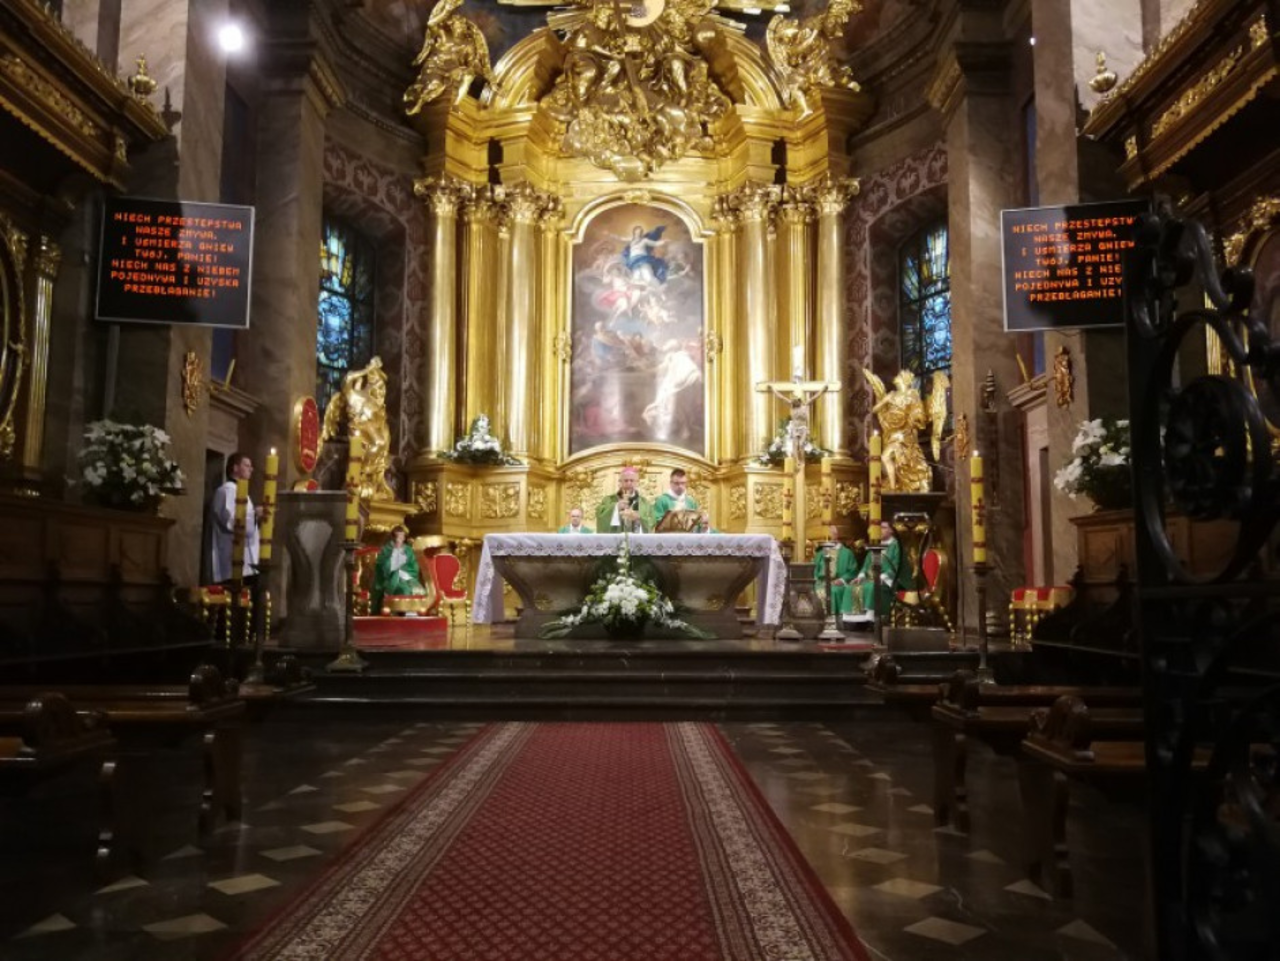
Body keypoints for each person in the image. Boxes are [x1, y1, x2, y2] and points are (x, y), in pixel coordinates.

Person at [209, 452, 263, 584]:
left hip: (248, 560)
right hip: (233, 560)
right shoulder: (226, 491)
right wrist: (255, 514)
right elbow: (232, 522)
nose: (251, 469)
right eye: (247, 465)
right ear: (235, 468)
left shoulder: (242, 491)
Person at [852, 520, 915, 619]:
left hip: (894, 581)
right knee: (854, 586)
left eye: (883, 528)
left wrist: (882, 577)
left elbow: (896, 566)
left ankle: (874, 615)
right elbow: (866, 565)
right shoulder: (876, 545)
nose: (880, 530)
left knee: (873, 587)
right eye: (879, 528)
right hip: (873, 579)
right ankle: (856, 616)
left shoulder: (896, 546)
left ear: (891, 530)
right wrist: (861, 576)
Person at [371, 525, 427, 615]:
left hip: (408, 578)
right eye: (398, 536)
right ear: (393, 537)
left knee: (420, 590)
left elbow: (414, 567)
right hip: (391, 579)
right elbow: (381, 566)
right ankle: (400, 613)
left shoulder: (408, 550)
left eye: (402, 536)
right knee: (404, 589)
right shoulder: (386, 550)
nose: (400, 539)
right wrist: (395, 569)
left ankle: (414, 612)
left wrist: (405, 573)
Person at [813, 525, 860, 618]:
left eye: (831, 533)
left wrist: (842, 580)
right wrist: (816, 580)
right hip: (821, 583)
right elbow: (814, 569)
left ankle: (832, 618)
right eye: (827, 533)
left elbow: (853, 571)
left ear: (837, 535)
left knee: (832, 591)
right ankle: (816, 619)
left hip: (837, 583)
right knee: (811, 591)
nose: (828, 536)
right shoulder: (821, 553)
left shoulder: (847, 553)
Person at [594, 465, 655, 533]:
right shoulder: (608, 500)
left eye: (632, 480)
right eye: (626, 480)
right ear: (620, 482)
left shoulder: (644, 503)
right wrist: (616, 507)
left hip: (636, 538)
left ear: (637, 483)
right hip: (615, 538)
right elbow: (600, 517)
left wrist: (638, 518)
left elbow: (651, 522)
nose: (629, 483)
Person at [653, 468, 709, 532]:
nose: (680, 486)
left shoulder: (691, 501)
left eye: (683, 483)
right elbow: (656, 521)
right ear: (671, 483)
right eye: (677, 483)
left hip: (688, 536)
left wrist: (702, 521)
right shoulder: (662, 500)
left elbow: (697, 522)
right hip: (668, 535)